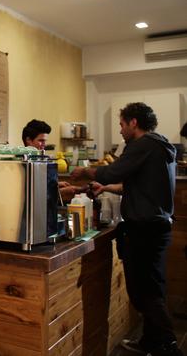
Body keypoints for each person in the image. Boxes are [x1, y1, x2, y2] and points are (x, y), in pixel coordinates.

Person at [71, 102, 182, 356]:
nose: (120, 130)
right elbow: (134, 185)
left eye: (122, 124)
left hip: (145, 230)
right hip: (157, 227)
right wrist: (106, 188)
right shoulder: (160, 146)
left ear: (134, 123)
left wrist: (86, 171)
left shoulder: (144, 145)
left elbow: (112, 172)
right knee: (152, 289)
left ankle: (169, 347)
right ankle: (150, 343)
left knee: (145, 292)